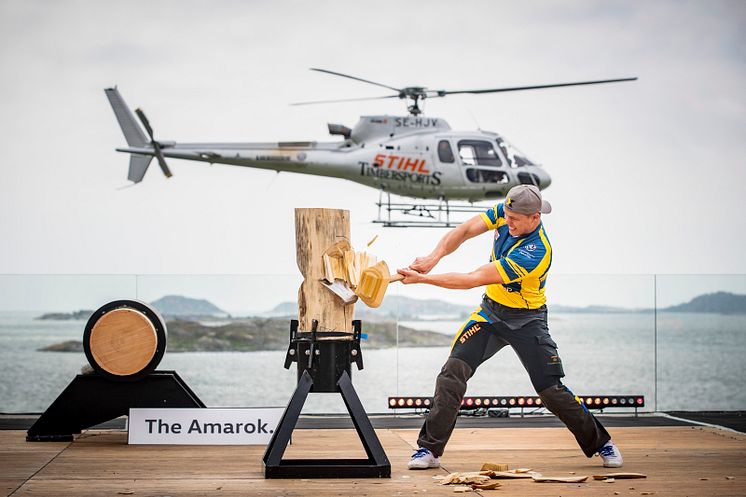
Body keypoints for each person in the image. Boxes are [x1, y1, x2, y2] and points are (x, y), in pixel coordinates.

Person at [397, 184, 623, 470]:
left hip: (527, 320)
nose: (508, 222)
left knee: (550, 390)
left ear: (535, 218)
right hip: (490, 315)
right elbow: (465, 230)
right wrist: (433, 258)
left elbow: (474, 277)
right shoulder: (506, 213)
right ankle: (429, 451)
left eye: (515, 219)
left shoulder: (535, 251)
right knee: (452, 373)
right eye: (506, 216)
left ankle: (602, 443)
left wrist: (423, 280)